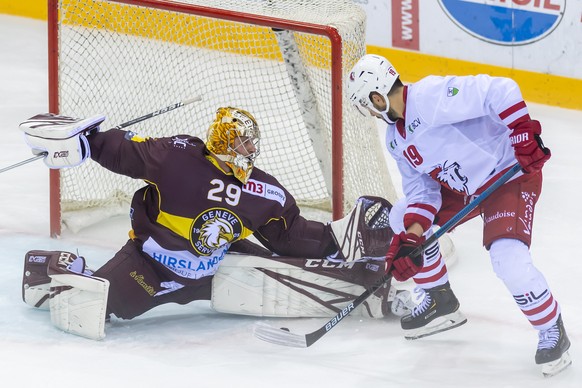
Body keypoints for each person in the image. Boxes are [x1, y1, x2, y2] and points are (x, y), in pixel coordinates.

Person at [19, 106, 402, 340]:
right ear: (225, 142)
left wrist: (340, 239)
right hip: (149, 267)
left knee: (293, 269)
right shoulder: (177, 157)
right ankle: (48, 270)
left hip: (214, 267)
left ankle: (368, 288)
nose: (252, 150)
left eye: (253, 143)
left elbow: (289, 236)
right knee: (88, 308)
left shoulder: (261, 191)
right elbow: (125, 151)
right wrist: (84, 142)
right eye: (245, 143)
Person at [346, 54, 571, 376]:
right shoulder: (396, 139)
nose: (368, 113)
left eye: (366, 105)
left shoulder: (430, 97)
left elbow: (501, 90)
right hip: (465, 188)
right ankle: (440, 301)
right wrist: (412, 239)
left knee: (507, 258)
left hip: (508, 173)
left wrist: (522, 131)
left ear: (377, 97)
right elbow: (423, 194)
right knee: (401, 218)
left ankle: (551, 327)